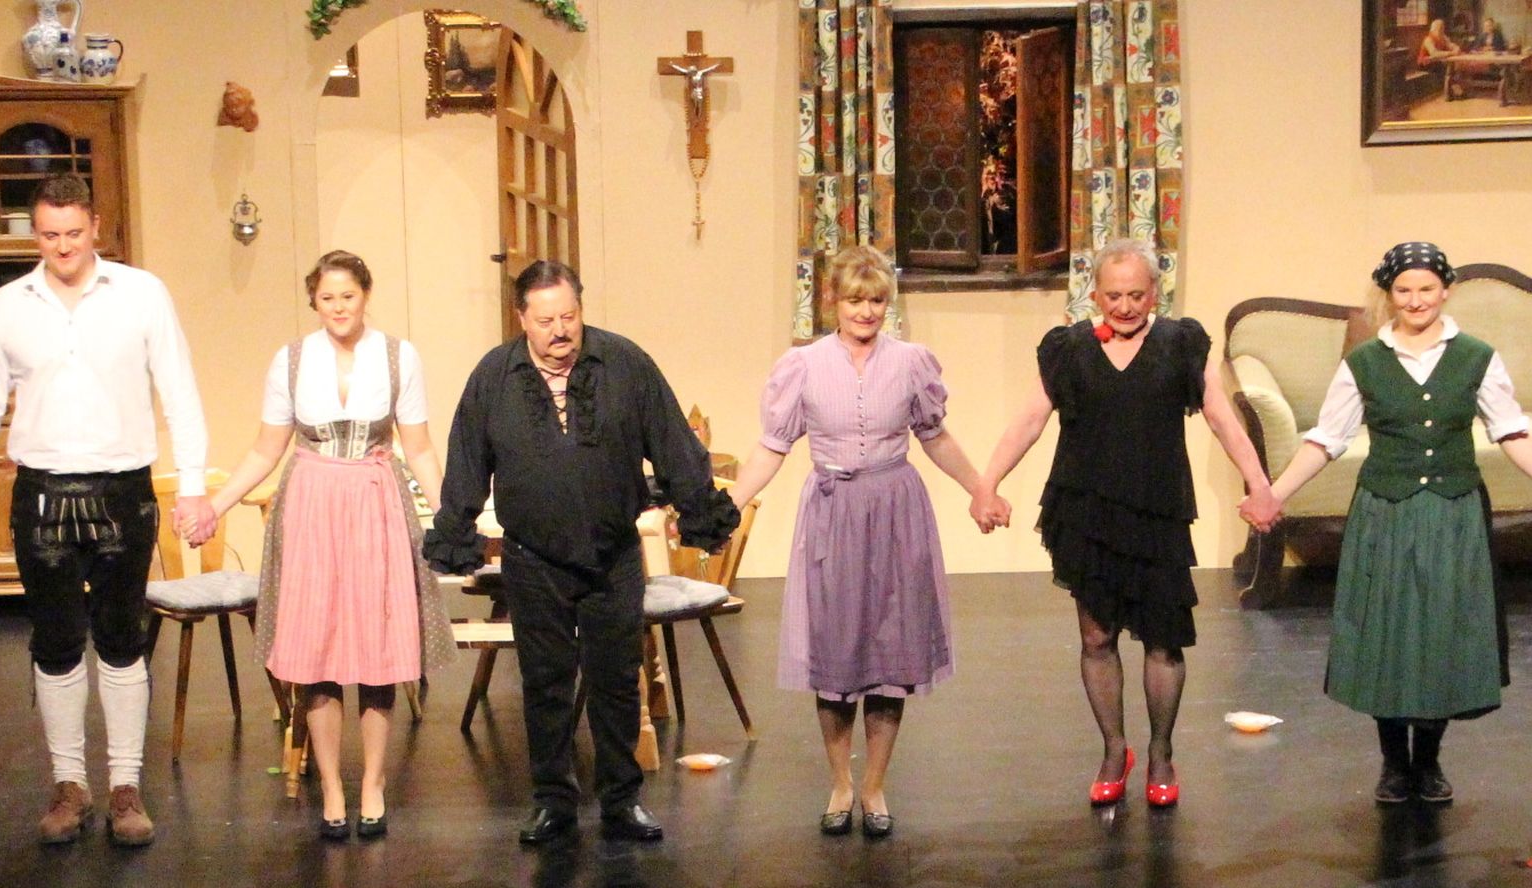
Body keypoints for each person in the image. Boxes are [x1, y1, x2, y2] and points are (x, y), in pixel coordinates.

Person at [0, 175, 216, 848]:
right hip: (41, 490)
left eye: (73, 233)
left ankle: (125, 785)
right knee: (57, 641)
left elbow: (179, 390)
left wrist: (194, 485)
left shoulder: (141, 294)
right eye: (48, 235)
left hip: (123, 488)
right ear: (35, 235)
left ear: (95, 228)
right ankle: (69, 784)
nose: (62, 247)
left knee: (122, 638)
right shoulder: (8, 306)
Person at [423, 260, 739, 846]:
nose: (560, 330)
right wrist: (455, 529)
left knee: (616, 680)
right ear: (522, 319)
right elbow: (467, 459)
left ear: (581, 310)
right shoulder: (494, 376)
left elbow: (673, 442)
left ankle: (621, 799)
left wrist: (701, 511)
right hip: (533, 555)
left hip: (611, 552)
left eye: (568, 316)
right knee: (545, 683)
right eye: (545, 321)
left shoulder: (625, 363)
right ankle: (552, 801)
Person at [968, 239, 1280, 810]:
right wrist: (987, 484)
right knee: (1096, 638)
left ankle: (1161, 753)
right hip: (1086, 512)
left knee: (1163, 640)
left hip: (1157, 511)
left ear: (1154, 292)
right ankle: (1115, 750)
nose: (1125, 305)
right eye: (1114, 295)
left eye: (1136, 294)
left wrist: (1259, 484)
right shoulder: (1068, 350)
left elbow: (1220, 417)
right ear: (1096, 294)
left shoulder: (1179, 344)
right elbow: (1030, 420)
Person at [1264, 242, 1532, 805]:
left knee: (1441, 631)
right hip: (1386, 511)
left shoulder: (1475, 356)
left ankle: (1428, 760)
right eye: (1403, 290)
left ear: (1445, 290)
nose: (1415, 300)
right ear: (1389, 295)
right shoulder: (1365, 361)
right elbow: (1327, 439)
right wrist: (1274, 494)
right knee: (1387, 631)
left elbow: (1512, 432)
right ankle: (1393, 762)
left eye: (1426, 289)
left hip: (1452, 513)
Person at [723, 247, 985, 838]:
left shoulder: (910, 362)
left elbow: (936, 437)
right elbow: (772, 446)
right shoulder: (804, 365)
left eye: (876, 300)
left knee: (892, 655)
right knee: (836, 655)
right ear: (832, 301)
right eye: (854, 300)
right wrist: (731, 502)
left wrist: (980, 489)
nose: (865, 311)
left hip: (895, 510)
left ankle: (874, 786)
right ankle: (841, 782)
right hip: (835, 513)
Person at [197, 251, 453, 842]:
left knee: (378, 646)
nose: (339, 307)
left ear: (366, 295)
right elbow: (266, 449)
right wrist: (216, 504)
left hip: (374, 499)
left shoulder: (397, 356)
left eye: (349, 296)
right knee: (317, 649)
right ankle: (333, 786)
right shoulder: (291, 360)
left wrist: (451, 517)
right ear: (314, 301)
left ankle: (373, 784)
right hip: (312, 503)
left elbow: (418, 447)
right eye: (327, 298)